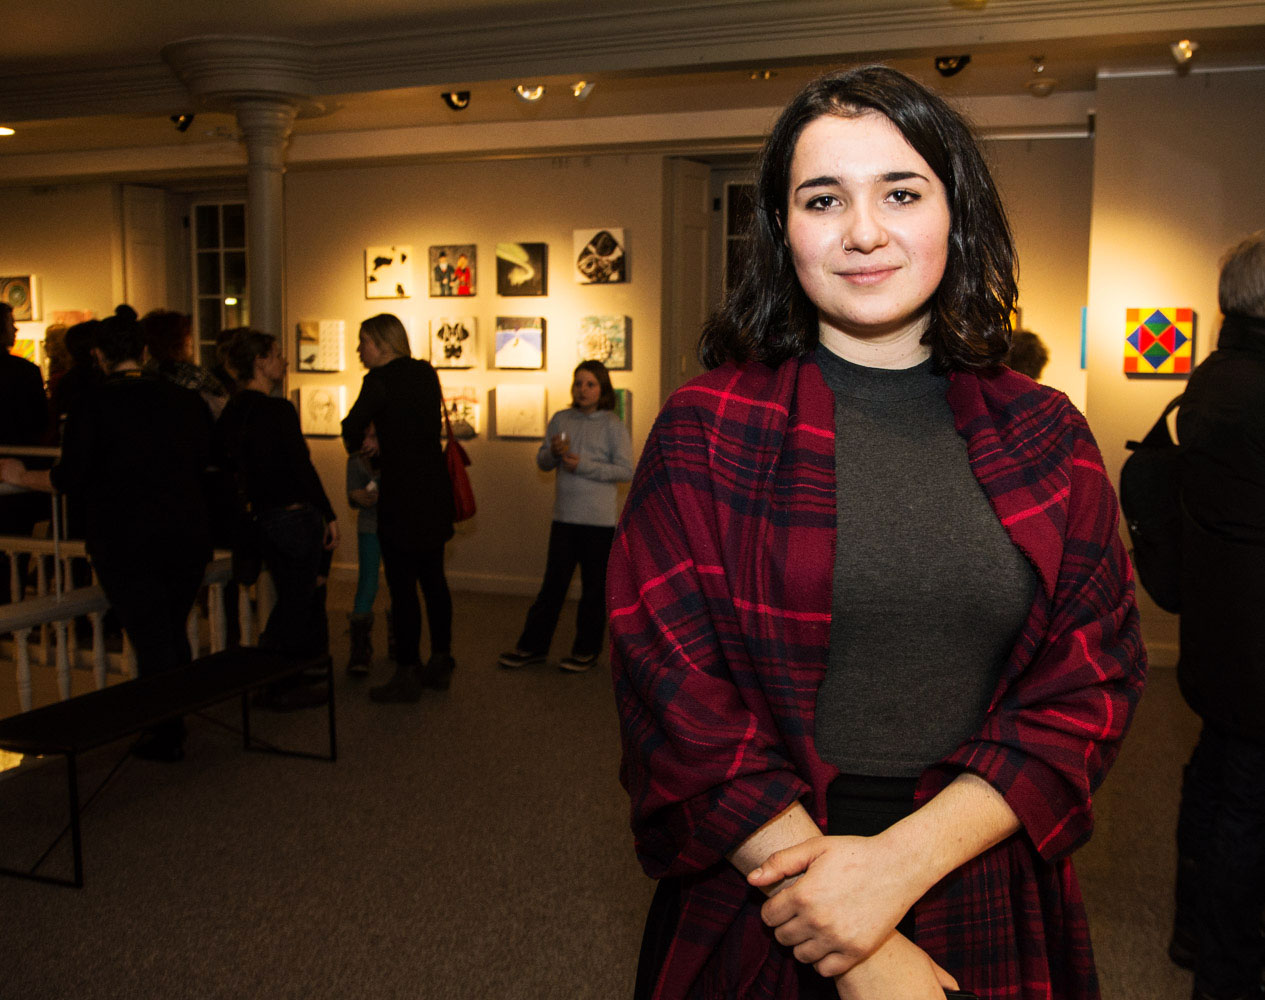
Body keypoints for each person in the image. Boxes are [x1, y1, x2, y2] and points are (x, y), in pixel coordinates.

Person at [608, 66, 1145, 1000]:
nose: (862, 231)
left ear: (955, 214)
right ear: (781, 229)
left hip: (976, 856)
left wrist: (894, 869)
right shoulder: (704, 428)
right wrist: (857, 941)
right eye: (823, 199)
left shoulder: (1047, 432)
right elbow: (674, 696)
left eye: (901, 192)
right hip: (763, 878)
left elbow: (1090, 678)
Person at [1, 304, 210, 761]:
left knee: (151, 634)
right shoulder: (181, 399)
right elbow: (207, 461)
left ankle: (165, 730)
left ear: (98, 355)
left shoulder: (93, 405)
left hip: (127, 538)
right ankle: (174, 716)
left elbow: (69, 477)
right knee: (170, 627)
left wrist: (20, 476)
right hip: (187, 532)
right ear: (143, 351)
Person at [1170, 231, 1265, 1000]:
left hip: (1221, 631)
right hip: (1254, 641)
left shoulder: (1213, 377)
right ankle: (1224, 976)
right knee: (1245, 808)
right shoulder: (1254, 386)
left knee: (1216, 778)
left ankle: (1191, 933)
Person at [217, 329, 339, 708]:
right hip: (292, 518)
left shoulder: (232, 411)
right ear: (260, 362)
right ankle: (277, 681)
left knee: (291, 598)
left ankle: (283, 673)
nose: (284, 361)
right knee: (295, 602)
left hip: (259, 520)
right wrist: (329, 513)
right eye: (276, 354)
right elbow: (301, 467)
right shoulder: (277, 410)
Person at [341, 313, 455, 701]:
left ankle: (407, 671)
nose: (359, 350)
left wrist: (366, 446)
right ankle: (441, 661)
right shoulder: (425, 373)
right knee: (434, 580)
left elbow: (351, 427)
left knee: (403, 587)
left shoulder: (378, 380)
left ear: (381, 342)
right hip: (433, 491)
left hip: (402, 496)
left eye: (363, 341)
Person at [498, 361, 632, 673]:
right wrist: (554, 453)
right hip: (564, 519)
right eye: (578, 383)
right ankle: (532, 648)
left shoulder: (613, 424)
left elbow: (626, 470)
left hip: (599, 523)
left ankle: (586, 651)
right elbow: (543, 462)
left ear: (602, 389)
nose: (583, 390)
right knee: (552, 587)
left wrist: (583, 466)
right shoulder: (561, 418)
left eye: (590, 384)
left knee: (593, 591)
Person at [0, 300, 50, 605]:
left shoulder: (24, 371)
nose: (16, 329)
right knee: (15, 552)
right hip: (18, 473)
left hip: (17, 471)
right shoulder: (24, 372)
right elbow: (40, 422)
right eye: (10, 323)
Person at [345, 421, 384, 676]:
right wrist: (357, 496)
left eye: (374, 435)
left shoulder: (398, 456)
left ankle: (399, 639)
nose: (368, 441)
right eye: (365, 435)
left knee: (400, 582)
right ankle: (360, 648)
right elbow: (352, 494)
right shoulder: (356, 460)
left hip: (395, 524)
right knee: (367, 582)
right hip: (369, 524)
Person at [141, 309, 229, 419]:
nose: (191, 342)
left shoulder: (144, 376)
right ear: (179, 343)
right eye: (188, 336)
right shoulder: (199, 380)